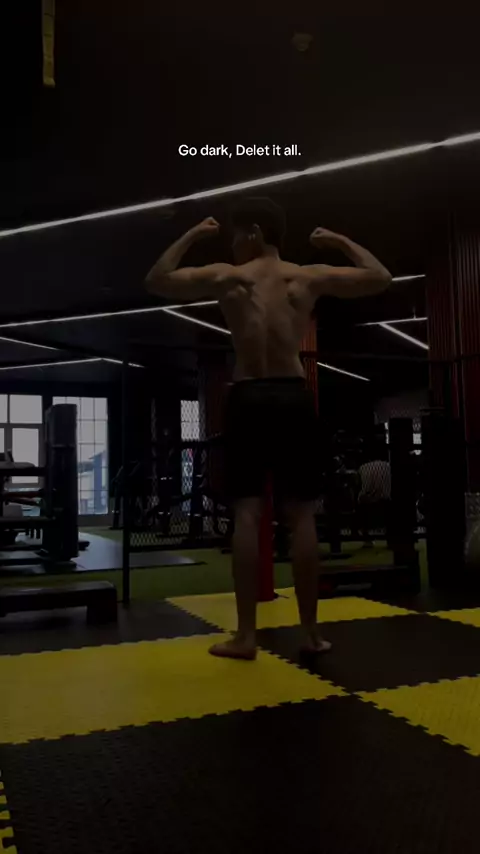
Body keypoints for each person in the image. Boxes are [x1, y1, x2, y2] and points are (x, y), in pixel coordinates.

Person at [145, 197, 392, 659]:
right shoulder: (306, 277)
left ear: (254, 232)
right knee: (302, 516)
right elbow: (379, 275)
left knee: (247, 514)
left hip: (249, 397)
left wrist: (194, 233)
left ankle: (246, 637)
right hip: (293, 398)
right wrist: (337, 240)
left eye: (236, 235)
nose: (233, 245)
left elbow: (157, 279)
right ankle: (312, 634)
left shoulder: (230, 277)